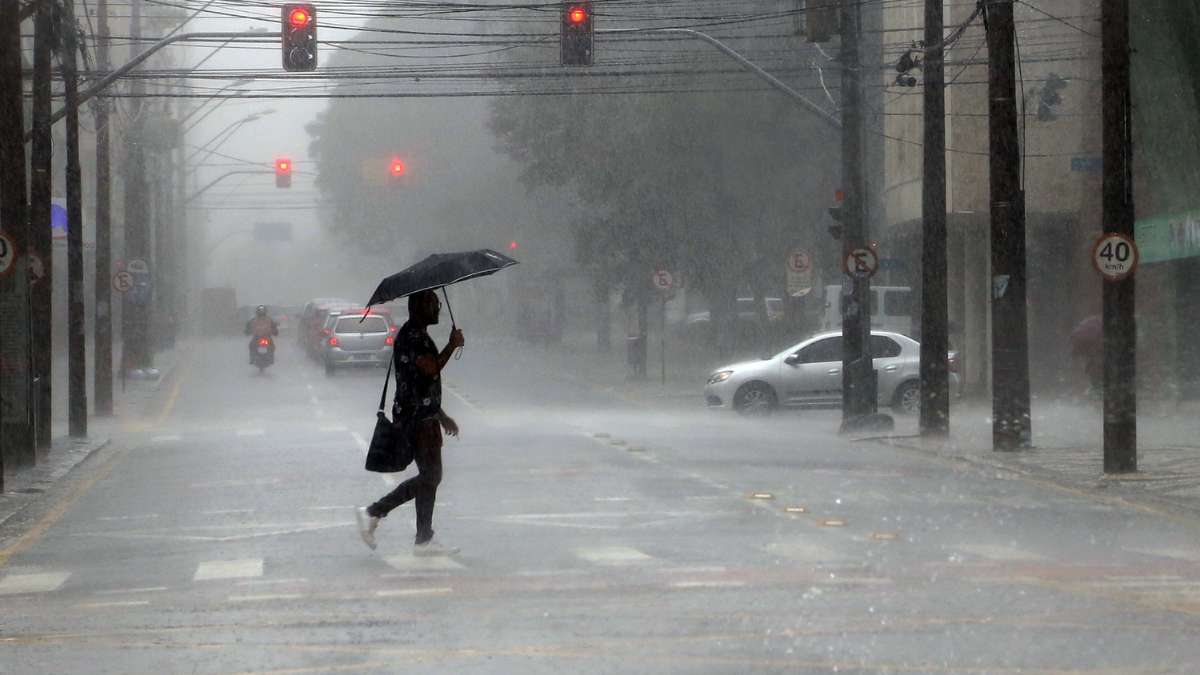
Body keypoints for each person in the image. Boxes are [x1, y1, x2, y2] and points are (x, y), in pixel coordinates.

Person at [356, 289, 465, 555]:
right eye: (433, 304)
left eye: (438, 303)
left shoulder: (416, 334)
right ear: (418, 307)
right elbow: (430, 369)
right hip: (416, 419)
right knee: (431, 476)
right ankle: (374, 512)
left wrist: (441, 415)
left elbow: (422, 383)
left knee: (431, 477)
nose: (438, 308)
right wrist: (452, 345)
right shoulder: (412, 337)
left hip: (423, 415)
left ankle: (424, 539)